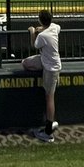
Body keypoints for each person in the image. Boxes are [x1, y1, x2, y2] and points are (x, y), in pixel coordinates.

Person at [21, 9, 61, 142]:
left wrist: (33, 32)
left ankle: (48, 131)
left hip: (50, 68)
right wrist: (42, 28)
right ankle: (50, 122)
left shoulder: (42, 36)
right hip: (48, 62)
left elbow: (34, 44)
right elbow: (56, 27)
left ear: (40, 20)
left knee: (49, 97)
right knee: (26, 63)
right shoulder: (54, 27)